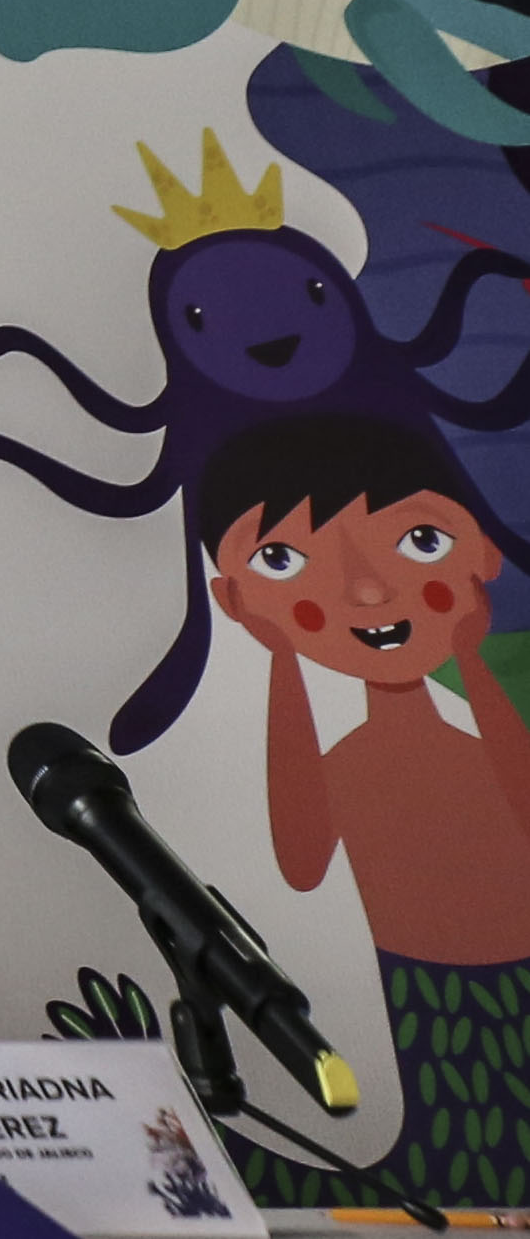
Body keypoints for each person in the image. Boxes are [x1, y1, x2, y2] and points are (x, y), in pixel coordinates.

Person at [194, 412, 530, 1210]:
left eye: (420, 540)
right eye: (281, 560)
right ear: (235, 601)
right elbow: (302, 859)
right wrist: (282, 663)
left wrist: (471, 656)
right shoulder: (345, 763)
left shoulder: (466, 738)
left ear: (481, 553)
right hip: (418, 990)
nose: (367, 588)